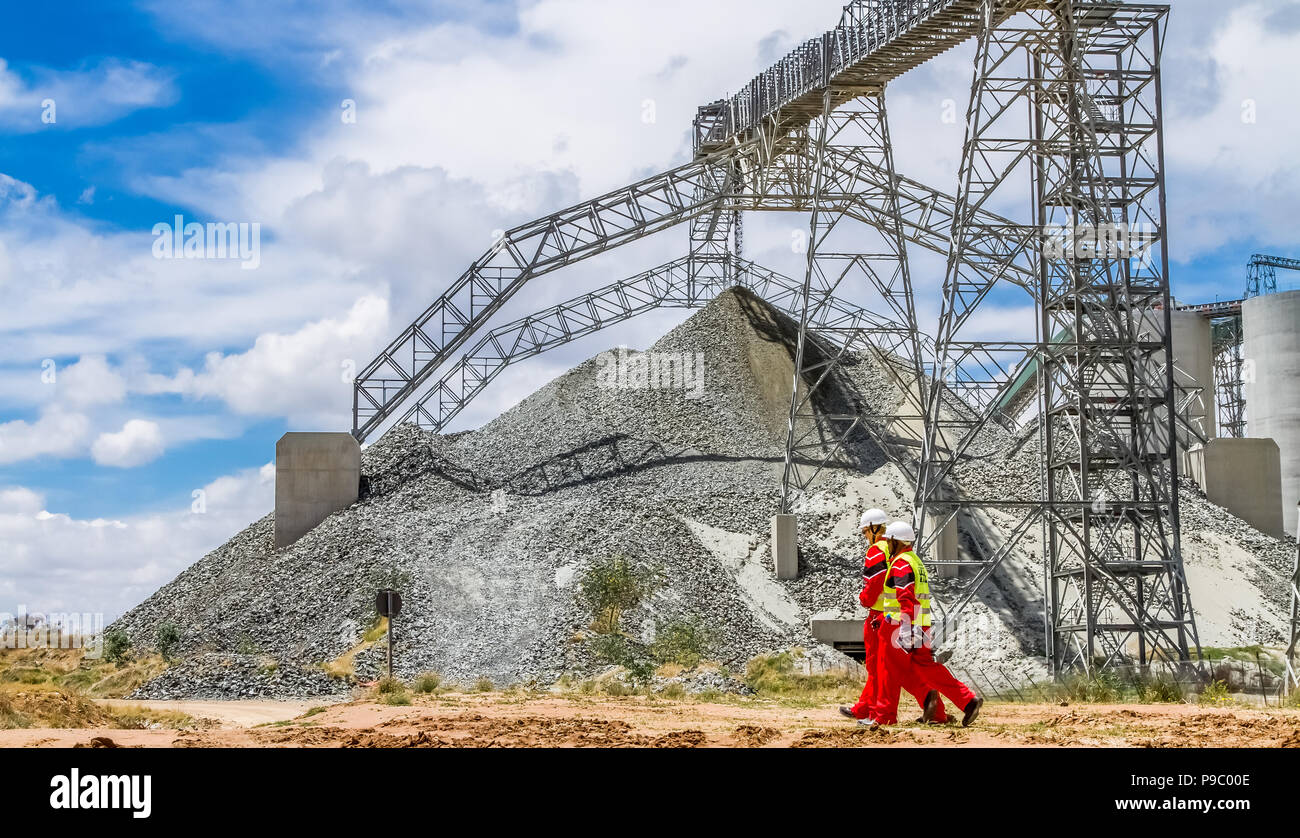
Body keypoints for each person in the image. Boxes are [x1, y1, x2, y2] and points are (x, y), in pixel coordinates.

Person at [839, 510, 950, 726]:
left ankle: (877, 711)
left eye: (864, 531)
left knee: (880, 666)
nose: (864, 536)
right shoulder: (900, 552)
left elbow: (875, 583)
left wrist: (865, 599)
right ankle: (930, 706)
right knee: (900, 665)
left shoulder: (876, 550)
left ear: (873, 528)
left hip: (883, 616)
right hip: (908, 616)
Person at [876, 520, 983, 728]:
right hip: (921, 624)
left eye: (888, 542)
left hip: (900, 625)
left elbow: (906, 597)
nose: (886, 546)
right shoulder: (915, 561)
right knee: (927, 667)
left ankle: (884, 717)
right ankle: (967, 700)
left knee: (888, 670)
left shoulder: (900, 563)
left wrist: (905, 629)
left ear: (895, 542)